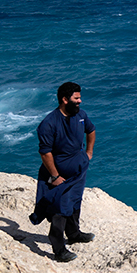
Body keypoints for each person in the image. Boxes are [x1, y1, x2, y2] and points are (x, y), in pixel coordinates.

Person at [30, 82, 96, 263]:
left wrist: (88, 153)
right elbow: (45, 152)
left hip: (78, 171)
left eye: (80, 97)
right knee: (60, 208)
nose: (80, 101)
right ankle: (58, 249)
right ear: (65, 100)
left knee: (75, 201)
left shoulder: (81, 115)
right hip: (59, 175)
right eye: (76, 98)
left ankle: (74, 234)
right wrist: (55, 176)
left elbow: (91, 131)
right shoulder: (49, 124)